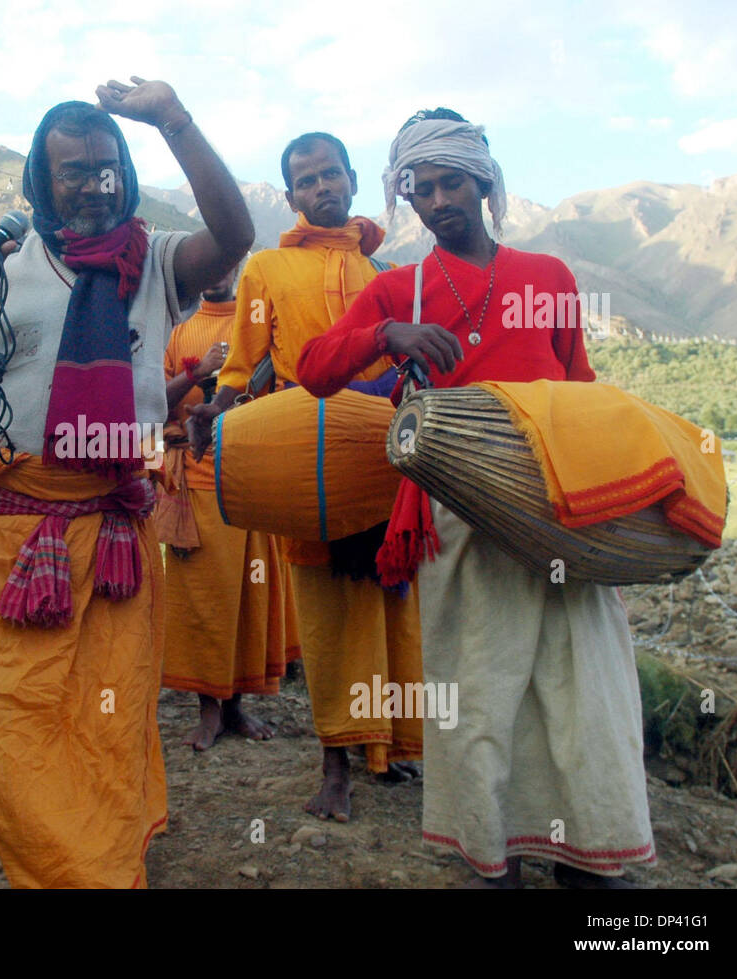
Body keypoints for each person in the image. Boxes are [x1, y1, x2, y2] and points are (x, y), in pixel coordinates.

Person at [0, 77, 253, 887]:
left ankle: (101, 861)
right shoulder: (1, 264)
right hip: (10, 535)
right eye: (73, 170)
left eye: (105, 167)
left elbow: (233, 233)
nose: (92, 183)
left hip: (115, 532)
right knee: (15, 717)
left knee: (111, 711)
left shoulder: (155, 260)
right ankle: (59, 865)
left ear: (124, 175)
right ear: (41, 179)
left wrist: (174, 117)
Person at [296, 108, 655, 887]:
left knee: (581, 697)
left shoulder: (551, 278)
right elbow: (314, 367)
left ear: (483, 180)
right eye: (418, 189)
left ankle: (591, 853)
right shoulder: (399, 288)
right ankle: (495, 857)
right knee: (480, 705)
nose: (436, 201)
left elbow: (580, 390)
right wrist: (388, 337)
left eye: (450, 182)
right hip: (457, 523)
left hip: (557, 518)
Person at [189, 132, 423, 821]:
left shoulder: (390, 270)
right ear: (290, 195)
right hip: (309, 449)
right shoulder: (264, 269)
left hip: (386, 450)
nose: (322, 186)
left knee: (393, 601)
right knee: (325, 610)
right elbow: (246, 365)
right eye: (307, 180)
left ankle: (390, 749)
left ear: (352, 179)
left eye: (331, 174)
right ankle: (335, 766)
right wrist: (214, 408)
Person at [158, 265, 297, 749]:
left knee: (248, 594)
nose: (218, 274)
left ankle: (237, 705)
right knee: (204, 595)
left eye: (228, 263)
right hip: (194, 477)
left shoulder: (264, 320)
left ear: (240, 266)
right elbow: (153, 404)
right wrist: (195, 373)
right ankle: (209, 709)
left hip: (253, 474)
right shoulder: (178, 330)